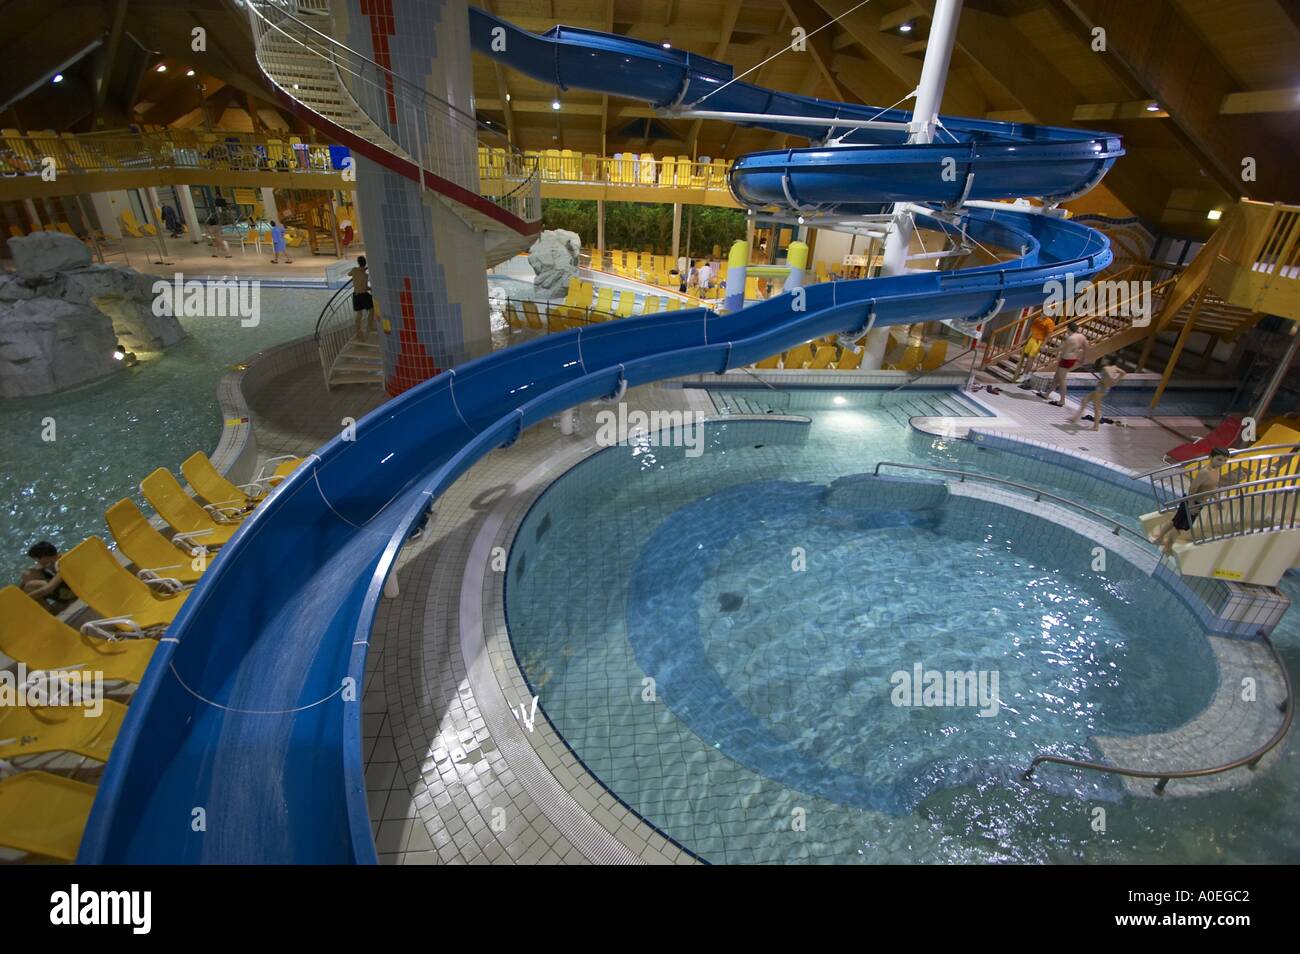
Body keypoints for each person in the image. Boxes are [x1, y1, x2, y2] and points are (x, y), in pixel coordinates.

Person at [1154, 447, 1247, 554]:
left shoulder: (1216, 470)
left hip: (1198, 503)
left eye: (1225, 460)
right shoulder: (1205, 472)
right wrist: (1191, 505)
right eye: (1219, 459)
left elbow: (1211, 487)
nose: (1222, 463)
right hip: (1193, 502)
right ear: (1210, 457)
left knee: (1175, 521)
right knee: (1178, 528)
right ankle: (1167, 547)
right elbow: (1193, 488)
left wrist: (1216, 500)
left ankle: (1159, 538)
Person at [1070, 355, 1125, 430]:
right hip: (1104, 389)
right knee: (1084, 400)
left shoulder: (1105, 368)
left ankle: (1096, 426)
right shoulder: (1115, 368)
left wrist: (1109, 381)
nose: (1104, 361)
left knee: (1096, 408)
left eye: (1105, 359)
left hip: (1100, 389)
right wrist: (1115, 381)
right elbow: (1123, 373)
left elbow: (1108, 377)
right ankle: (1076, 417)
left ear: (1108, 361)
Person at [20, 541, 75, 615]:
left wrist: (24, 599)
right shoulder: (53, 561)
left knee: (31, 586)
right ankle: (14, 596)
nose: (37, 562)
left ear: (44, 557)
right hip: (63, 586)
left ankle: (47, 609)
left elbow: (49, 588)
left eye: (37, 559)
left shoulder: (62, 563)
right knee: (27, 574)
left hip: (71, 593)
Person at [1038, 328, 1088, 407]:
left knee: (1062, 380)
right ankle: (1046, 394)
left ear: (1069, 329)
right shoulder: (1081, 337)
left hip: (1066, 360)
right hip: (1071, 359)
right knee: (1056, 377)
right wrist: (1083, 358)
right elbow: (1086, 347)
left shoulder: (1070, 338)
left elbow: (1058, 349)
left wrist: (1045, 350)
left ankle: (1062, 401)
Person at [1012, 311, 1055, 385]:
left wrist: (1043, 344)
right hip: (1032, 339)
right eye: (1043, 313)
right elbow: (1032, 331)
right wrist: (1027, 339)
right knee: (1025, 356)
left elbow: (1049, 335)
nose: (1044, 314)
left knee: (1030, 358)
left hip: (1039, 341)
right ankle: (1025, 372)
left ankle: (1025, 375)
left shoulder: (1050, 322)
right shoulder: (1037, 319)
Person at [349, 255, 376, 340]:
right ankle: (370, 326)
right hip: (363, 295)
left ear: (358, 263)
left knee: (359, 314)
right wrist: (371, 288)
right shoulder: (365, 275)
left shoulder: (354, 270)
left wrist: (359, 270)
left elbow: (349, 274)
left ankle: (358, 332)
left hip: (355, 295)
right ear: (365, 264)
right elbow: (365, 287)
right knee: (372, 309)